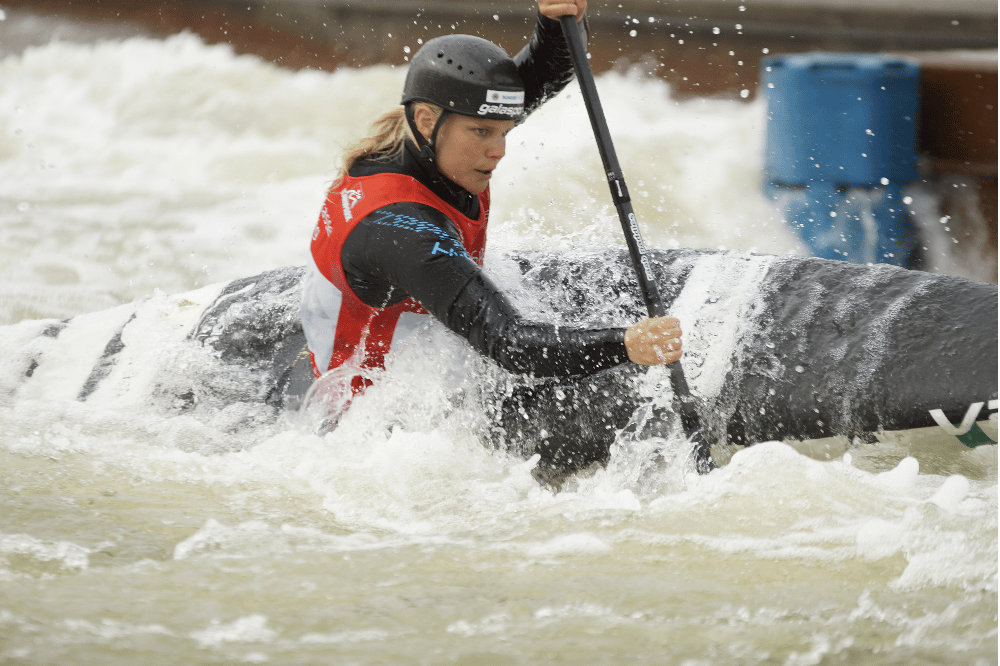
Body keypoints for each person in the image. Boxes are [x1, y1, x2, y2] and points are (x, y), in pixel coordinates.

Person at [300, 0, 683, 420]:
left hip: (425, 357)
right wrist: (627, 343)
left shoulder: (441, 142)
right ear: (427, 121)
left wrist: (555, 22)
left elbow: (540, 76)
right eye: (483, 132)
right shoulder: (402, 229)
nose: (498, 151)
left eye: (506, 131)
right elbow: (510, 344)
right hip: (372, 420)